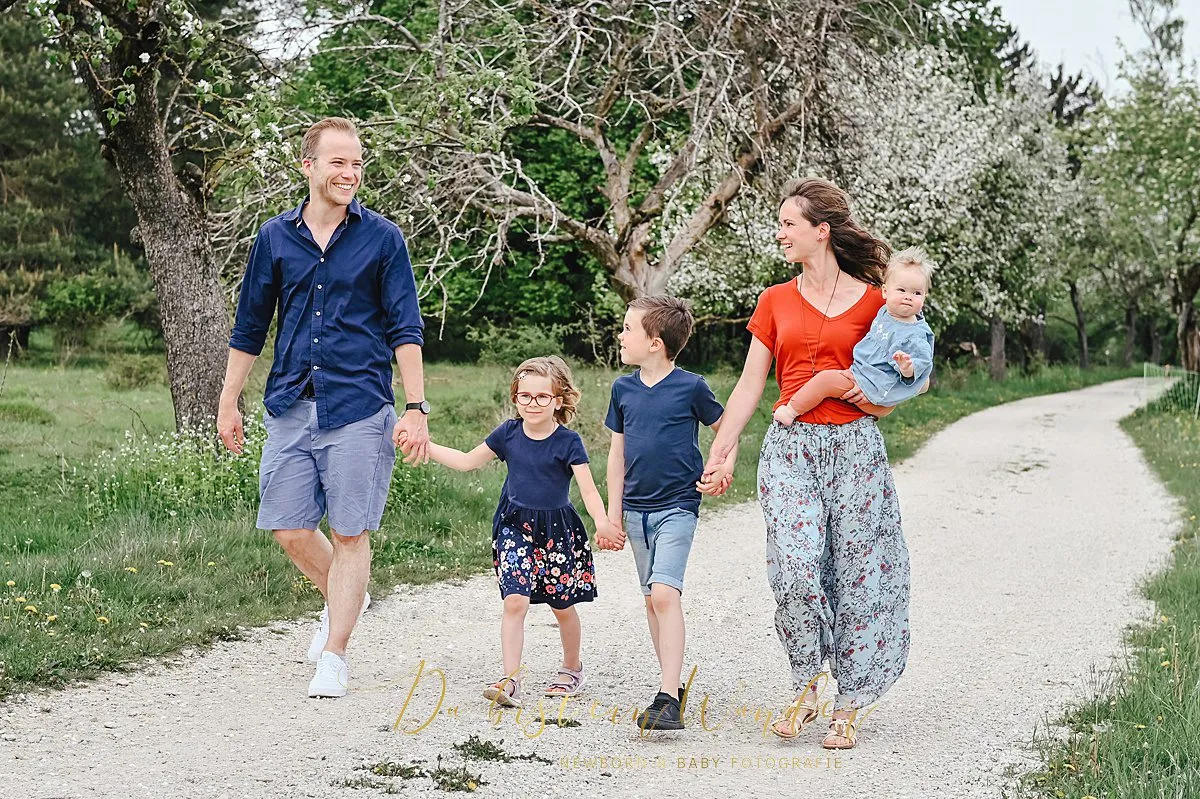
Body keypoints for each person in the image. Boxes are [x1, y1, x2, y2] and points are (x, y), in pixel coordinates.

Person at [217, 117, 431, 699]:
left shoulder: (383, 239)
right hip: (290, 400)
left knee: (350, 531)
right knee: (287, 527)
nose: (350, 173)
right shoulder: (274, 238)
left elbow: (405, 329)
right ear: (308, 167)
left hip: (360, 406)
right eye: (338, 162)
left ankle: (335, 653)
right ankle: (347, 595)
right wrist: (229, 398)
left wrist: (416, 407)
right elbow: (250, 325)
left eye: (357, 163)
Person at [703, 177, 912, 750]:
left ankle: (851, 702)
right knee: (794, 568)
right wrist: (723, 450)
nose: (780, 232)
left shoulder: (875, 302)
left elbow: (890, 393)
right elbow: (750, 384)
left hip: (854, 450)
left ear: (821, 231)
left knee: (857, 574)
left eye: (788, 223)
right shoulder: (774, 300)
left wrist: (839, 390)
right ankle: (808, 679)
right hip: (789, 450)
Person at [412, 356, 623, 707]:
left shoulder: (568, 442)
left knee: (562, 605)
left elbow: (587, 489)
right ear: (515, 397)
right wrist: (425, 447)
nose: (532, 404)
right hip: (514, 527)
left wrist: (602, 522)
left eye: (542, 397)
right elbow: (467, 461)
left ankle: (572, 668)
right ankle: (510, 681)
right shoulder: (508, 434)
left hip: (557, 533)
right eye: (524, 396)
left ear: (558, 400)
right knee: (515, 600)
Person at [604, 296, 734, 731]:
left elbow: (726, 429)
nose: (621, 335)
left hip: (679, 504)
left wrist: (722, 466)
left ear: (655, 342)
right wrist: (612, 514)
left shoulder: (691, 386)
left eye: (627, 329)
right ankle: (671, 685)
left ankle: (666, 697)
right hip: (636, 510)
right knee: (651, 600)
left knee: (664, 594)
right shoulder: (622, 390)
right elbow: (616, 456)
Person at [772, 247, 936, 425]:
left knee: (826, 380)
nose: (908, 297)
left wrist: (907, 368)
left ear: (924, 297)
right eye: (902, 290)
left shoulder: (915, 334)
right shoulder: (886, 313)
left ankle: (790, 411)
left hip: (875, 392)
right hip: (865, 379)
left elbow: (922, 368)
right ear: (885, 292)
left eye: (917, 293)